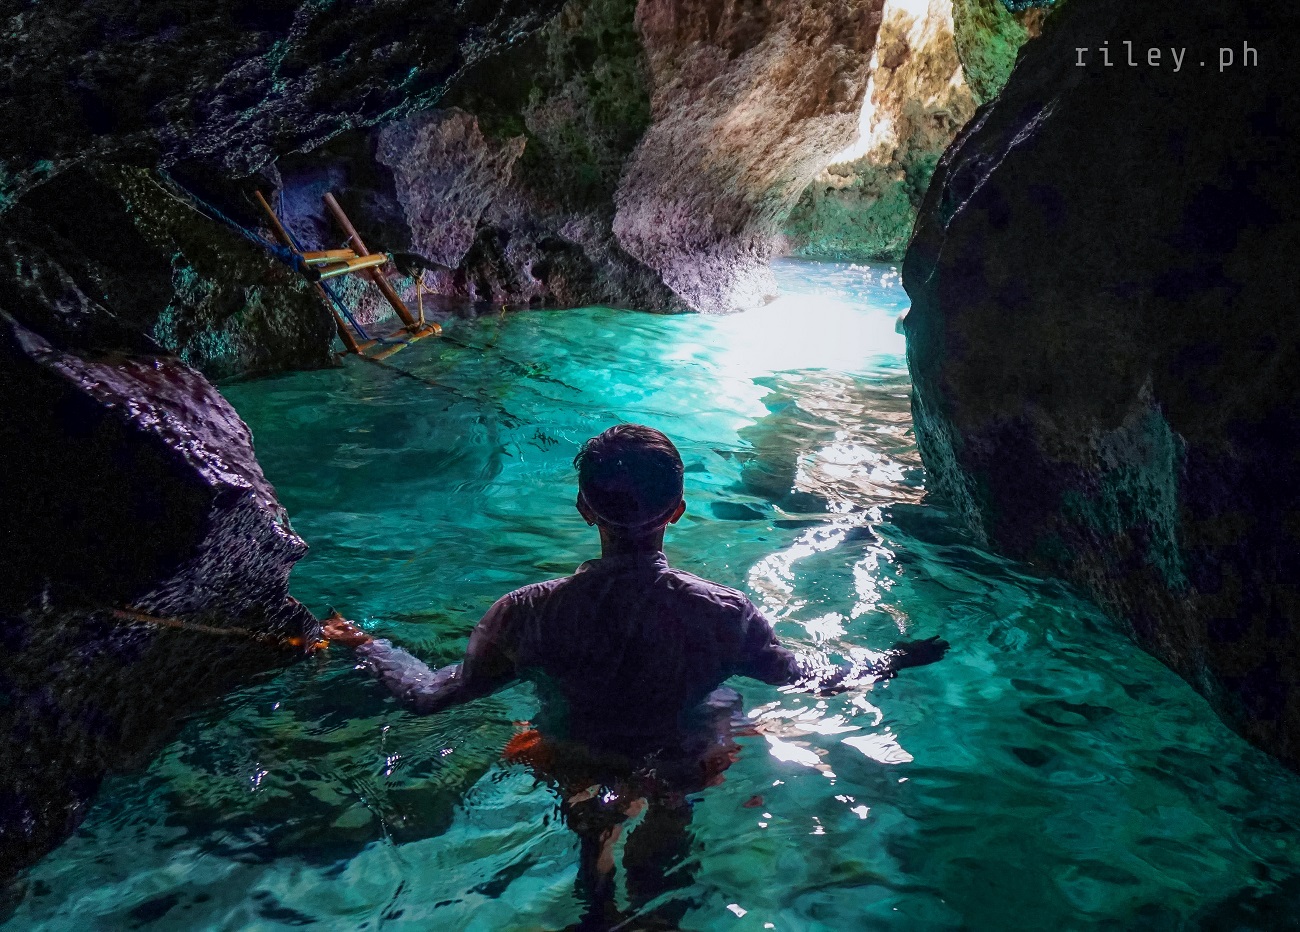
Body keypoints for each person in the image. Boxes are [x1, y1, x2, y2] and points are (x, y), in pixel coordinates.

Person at [323, 424, 947, 926]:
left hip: (571, 748)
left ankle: (594, 894)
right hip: (683, 752)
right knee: (672, 820)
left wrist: (366, 645)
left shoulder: (527, 612)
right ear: (676, 511)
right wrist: (893, 658)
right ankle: (661, 909)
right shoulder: (725, 615)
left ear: (581, 508)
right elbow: (814, 679)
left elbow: (433, 696)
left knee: (588, 803)